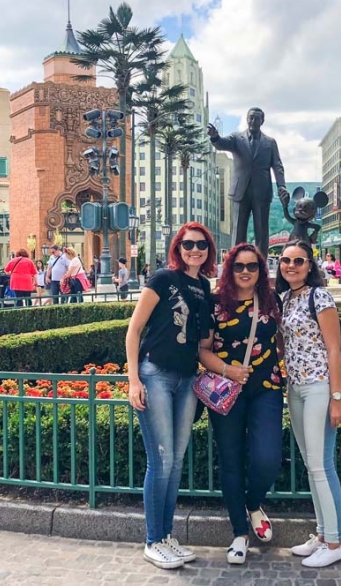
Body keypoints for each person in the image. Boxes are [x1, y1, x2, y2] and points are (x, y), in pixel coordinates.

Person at [125, 222, 216, 570]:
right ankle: (153, 539)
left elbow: (203, 339)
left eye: (202, 245)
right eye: (189, 244)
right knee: (160, 460)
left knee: (176, 461)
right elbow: (134, 331)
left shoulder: (203, 286)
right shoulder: (162, 279)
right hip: (156, 374)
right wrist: (134, 380)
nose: (195, 250)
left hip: (187, 378)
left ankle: (166, 535)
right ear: (178, 247)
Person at [199, 244, 283, 565]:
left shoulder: (271, 300)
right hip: (225, 391)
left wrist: (273, 363)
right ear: (229, 269)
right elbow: (202, 350)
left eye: (252, 266)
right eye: (238, 266)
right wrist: (228, 370)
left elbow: (281, 340)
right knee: (231, 460)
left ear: (261, 270)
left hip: (266, 389)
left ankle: (252, 503)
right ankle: (239, 533)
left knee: (268, 457)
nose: (245, 272)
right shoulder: (216, 303)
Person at [275, 239, 341, 568]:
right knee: (314, 465)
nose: (291, 265)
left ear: (310, 265)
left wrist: (336, 399)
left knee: (320, 466)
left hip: (320, 387)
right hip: (297, 388)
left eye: (298, 261)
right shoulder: (286, 299)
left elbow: (334, 350)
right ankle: (322, 534)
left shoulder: (320, 296)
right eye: (286, 260)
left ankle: (335, 542)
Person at [207, 108, 290, 255]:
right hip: (240, 191)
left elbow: (277, 165)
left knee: (262, 232)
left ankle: (261, 266)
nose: (253, 121)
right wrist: (215, 137)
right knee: (238, 231)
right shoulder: (237, 138)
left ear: (262, 121)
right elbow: (221, 144)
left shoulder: (270, 143)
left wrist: (281, 186)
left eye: (256, 118)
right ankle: (236, 265)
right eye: (250, 118)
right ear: (246, 119)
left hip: (262, 192)